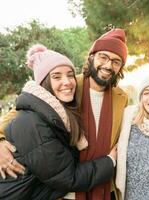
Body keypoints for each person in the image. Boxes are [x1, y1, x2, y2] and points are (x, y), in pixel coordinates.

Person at [0, 28, 128, 200]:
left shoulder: (122, 98)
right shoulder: (70, 84)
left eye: (116, 61)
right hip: (66, 189)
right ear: (91, 58)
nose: (108, 65)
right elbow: (20, 114)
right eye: (103, 57)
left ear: (120, 67)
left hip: (104, 185)